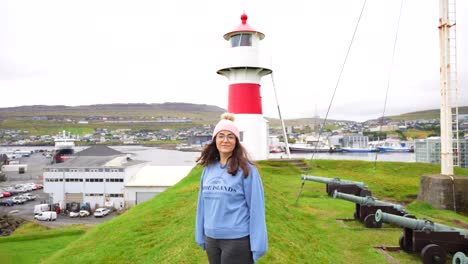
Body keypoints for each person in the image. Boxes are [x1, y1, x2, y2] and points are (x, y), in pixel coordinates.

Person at [195, 113, 268, 264]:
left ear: (236, 141)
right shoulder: (208, 169)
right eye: (221, 136)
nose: (225, 140)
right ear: (215, 140)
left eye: (230, 136)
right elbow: (202, 206)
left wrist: (258, 245)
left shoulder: (247, 170)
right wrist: (200, 235)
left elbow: (256, 209)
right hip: (211, 240)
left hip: (237, 240)